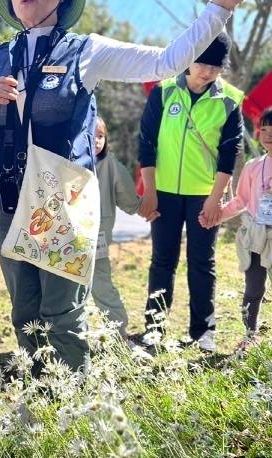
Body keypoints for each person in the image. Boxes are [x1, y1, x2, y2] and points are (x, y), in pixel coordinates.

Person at [0, 0, 270, 370]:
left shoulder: (87, 51)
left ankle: (70, 407)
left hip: (58, 198)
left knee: (61, 315)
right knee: (24, 312)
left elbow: (164, 62)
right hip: (3, 196)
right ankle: (39, 396)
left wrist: (221, 6)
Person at [138, 34, 244, 351]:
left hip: (203, 196)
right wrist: (150, 192)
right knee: (162, 261)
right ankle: (154, 331)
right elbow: (147, 144)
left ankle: (203, 333)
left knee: (201, 262)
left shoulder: (230, 100)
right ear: (189, 60)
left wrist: (215, 199)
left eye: (215, 66)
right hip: (165, 194)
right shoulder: (163, 92)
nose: (207, 72)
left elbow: (230, 153)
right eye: (202, 63)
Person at [209, 107, 272, 343]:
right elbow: (240, 201)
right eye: (263, 129)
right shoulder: (253, 166)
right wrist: (217, 215)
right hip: (256, 236)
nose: (268, 135)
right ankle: (249, 336)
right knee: (254, 289)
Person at [90, 117, 141, 337]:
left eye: (101, 136)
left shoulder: (110, 165)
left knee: (101, 284)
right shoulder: (66, 163)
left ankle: (118, 333)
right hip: (65, 236)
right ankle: (69, 336)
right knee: (66, 289)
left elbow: (129, 199)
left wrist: (147, 208)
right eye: (92, 136)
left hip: (97, 237)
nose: (97, 141)